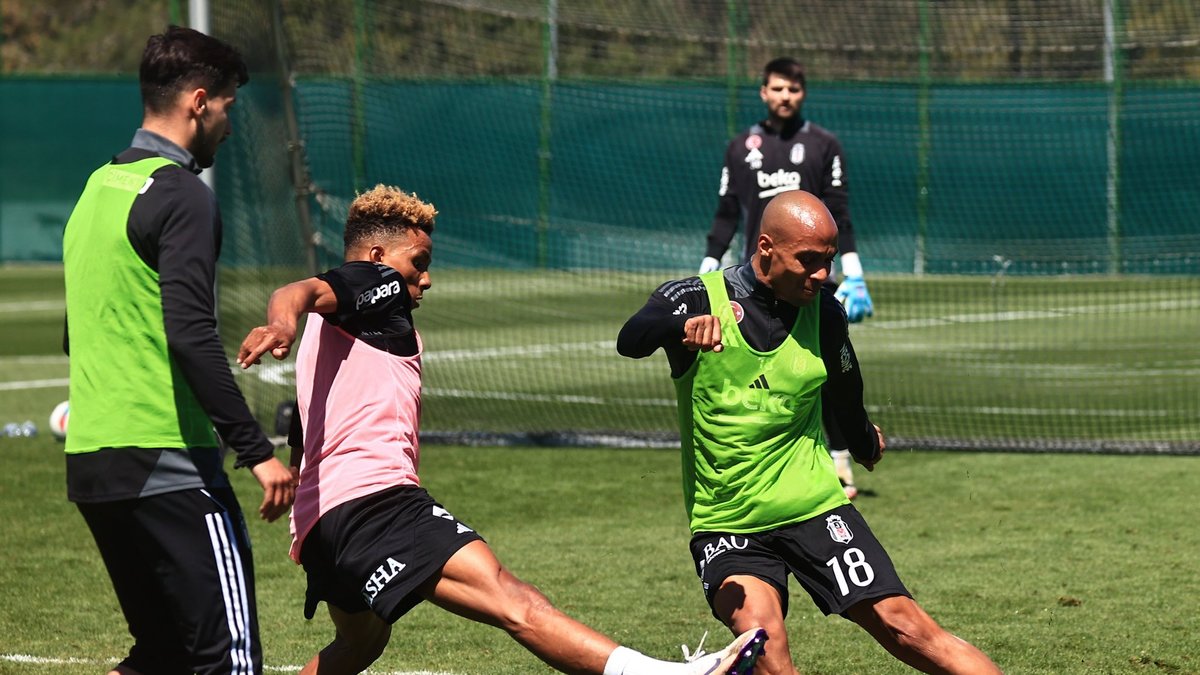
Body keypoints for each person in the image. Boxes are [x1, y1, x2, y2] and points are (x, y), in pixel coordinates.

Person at [235, 184, 766, 675]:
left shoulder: (331, 327)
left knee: (361, 643)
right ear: (377, 258)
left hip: (319, 524)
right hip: (373, 503)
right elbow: (298, 289)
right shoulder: (377, 283)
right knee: (513, 599)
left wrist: (297, 478)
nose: (426, 279)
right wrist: (280, 321)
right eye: (418, 263)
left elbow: (309, 410)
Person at [619, 190, 1001, 675]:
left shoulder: (825, 313)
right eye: (808, 260)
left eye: (828, 260)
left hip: (815, 508)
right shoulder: (696, 297)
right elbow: (631, 339)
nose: (822, 274)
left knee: (907, 626)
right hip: (728, 524)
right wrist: (680, 329)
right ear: (766, 248)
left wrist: (863, 442)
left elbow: (845, 388)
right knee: (764, 647)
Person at [61, 26, 295, 675]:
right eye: (227, 107)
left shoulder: (94, 189)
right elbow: (190, 333)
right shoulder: (183, 194)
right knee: (228, 662)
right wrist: (257, 452)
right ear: (198, 102)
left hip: (93, 463)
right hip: (169, 463)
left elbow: (75, 335)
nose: (229, 125)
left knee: (160, 656)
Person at [699, 57, 874, 497]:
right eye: (777, 88)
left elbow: (839, 214)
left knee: (824, 370)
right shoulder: (741, 147)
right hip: (755, 283)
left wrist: (854, 274)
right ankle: (764, 464)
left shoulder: (823, 146)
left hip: (813, 281)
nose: (785, 96)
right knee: (759, 375)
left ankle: (838, 463)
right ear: (763, 92)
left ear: (803, 93)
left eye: (793, 89)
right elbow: (726, 213)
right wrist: (708, 265)